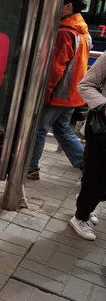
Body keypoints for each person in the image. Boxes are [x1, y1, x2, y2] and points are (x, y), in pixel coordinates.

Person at [27, 0, 91, 180]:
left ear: (69, 6)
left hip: (59, 93)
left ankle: (31, 168)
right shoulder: (83, 31)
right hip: (73, 92)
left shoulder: (65, 32)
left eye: (59, 4)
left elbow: (56, 69)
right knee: (62, 129)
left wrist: (45, 93)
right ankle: (87, 165)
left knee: (39, 129)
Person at [71, 52, 106, 240]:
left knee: (99, 185)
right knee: (96, 179)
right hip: (102, 132)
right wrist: (103, 106)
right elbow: (85, 85)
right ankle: (80, 216)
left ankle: (85, 202)